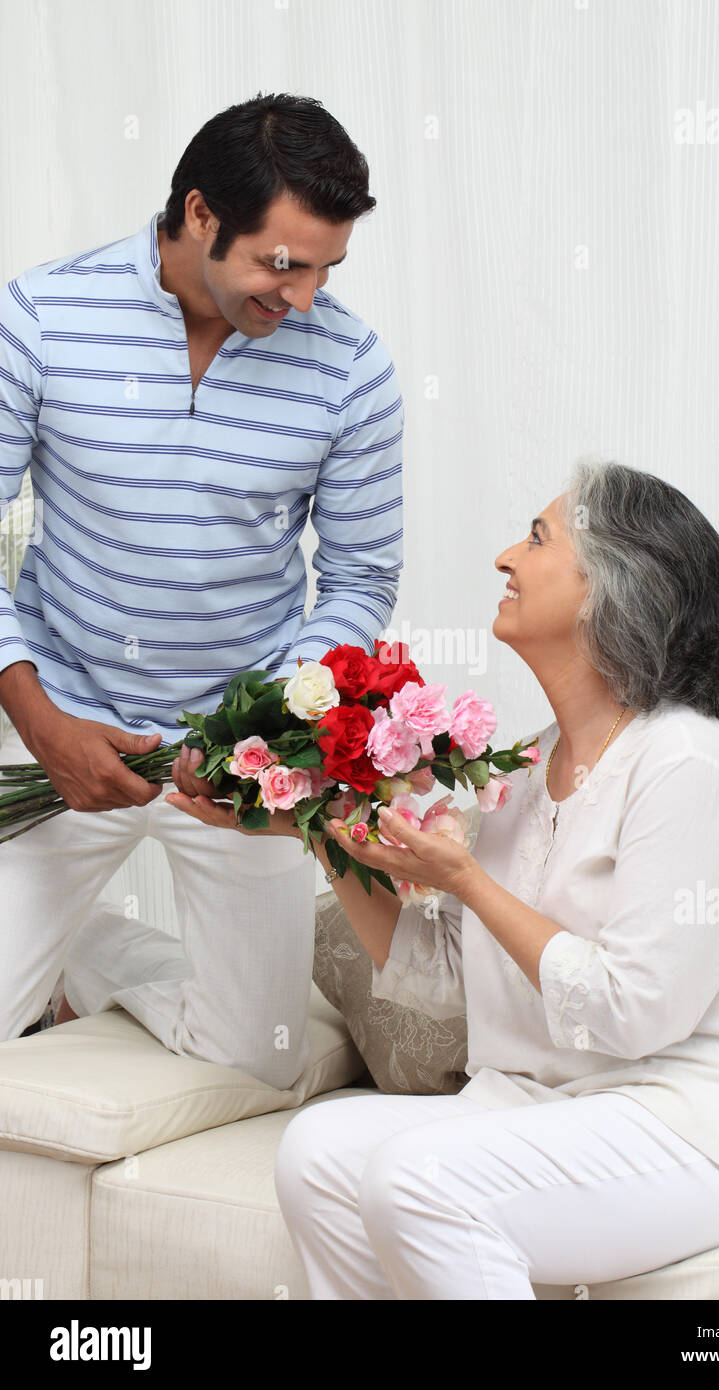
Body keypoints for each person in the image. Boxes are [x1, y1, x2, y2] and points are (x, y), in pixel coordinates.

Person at [166, 459, 719, 1299]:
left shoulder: (685, 761)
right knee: (317, 1155)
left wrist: (467, 881)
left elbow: (633, 1013)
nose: (504, 558)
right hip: (566, 1101)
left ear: (609, 590)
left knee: (418, 1180)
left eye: (536, 537)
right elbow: (441, 979)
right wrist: (317, 826)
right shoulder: (521, 774)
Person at [0, 93, 403, 1089]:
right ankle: (60, 954)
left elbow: (359, 577)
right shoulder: (41, 316)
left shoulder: (350, 368)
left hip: (240, 762)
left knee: (249, 1072)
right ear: (197, 214)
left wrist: (266, 730)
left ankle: (92, 959)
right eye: (281, 264)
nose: (302, 296)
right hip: (57, 719)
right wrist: (37, 717)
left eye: (323, 269)